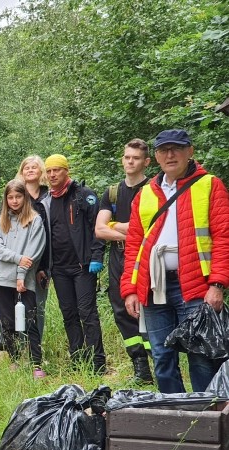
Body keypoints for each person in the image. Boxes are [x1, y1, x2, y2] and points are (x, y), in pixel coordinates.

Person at [122, 129, 229, 393]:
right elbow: (134, 245)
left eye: (176, 149)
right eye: (163, 150)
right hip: (154, 287)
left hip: (195, 286)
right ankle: (174, 417)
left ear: (190, 151)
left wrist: (217, 284)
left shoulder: (209, 185)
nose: (170, 155)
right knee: (161, 356)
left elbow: (224, 237)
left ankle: (207, 419)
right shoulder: (146, 192)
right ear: (156, 157)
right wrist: (130, 289)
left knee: (201, 355)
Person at [95, 139, 154, 385]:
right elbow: (99, 230)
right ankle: (140, 367)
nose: (130, 162)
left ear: (146, 162)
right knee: (121, 310)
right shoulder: (112, 192)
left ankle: (159, 360)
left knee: (150, 307)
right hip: (119, 256)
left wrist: (115, 226)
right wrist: (130, 230)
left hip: (148, 256)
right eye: (127, 157)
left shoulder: (154, 189)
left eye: (136, 158)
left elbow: (155, 229)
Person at [42, 154, 107, 373]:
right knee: (68, 314)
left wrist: (97, 257)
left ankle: (98, 363)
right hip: (59, 269)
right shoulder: (46, 201)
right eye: (49, 171)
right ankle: (78, 360)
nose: (52, 175)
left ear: (66, 171)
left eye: (57, 170)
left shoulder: (83, 195)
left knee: (87, 313)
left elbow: (98, 228)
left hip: (83, 267)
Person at [0, 180, 46, 376]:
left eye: (18, 197)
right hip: (1, 280)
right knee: (7, 322)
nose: (14, 201)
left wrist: (21, 274)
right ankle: (14, 359)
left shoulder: (35, 220)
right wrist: (18, 258)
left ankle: (36, 364)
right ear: (6, 199)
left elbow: (34, 252)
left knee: (30, 320)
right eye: (10, 197)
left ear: (25, 197)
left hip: (25, 280)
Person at [15, 156, 52, 338]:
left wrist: (44, 266)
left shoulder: (49, 196)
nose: (30, 170)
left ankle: (36, 347)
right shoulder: (15, 195)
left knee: (39, 305)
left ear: (41, 172)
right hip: (19, 260)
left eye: (34, 167)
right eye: (26, 167)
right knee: (19, 304)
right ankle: (18, 349)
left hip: (42, 261)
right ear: (21, 172)